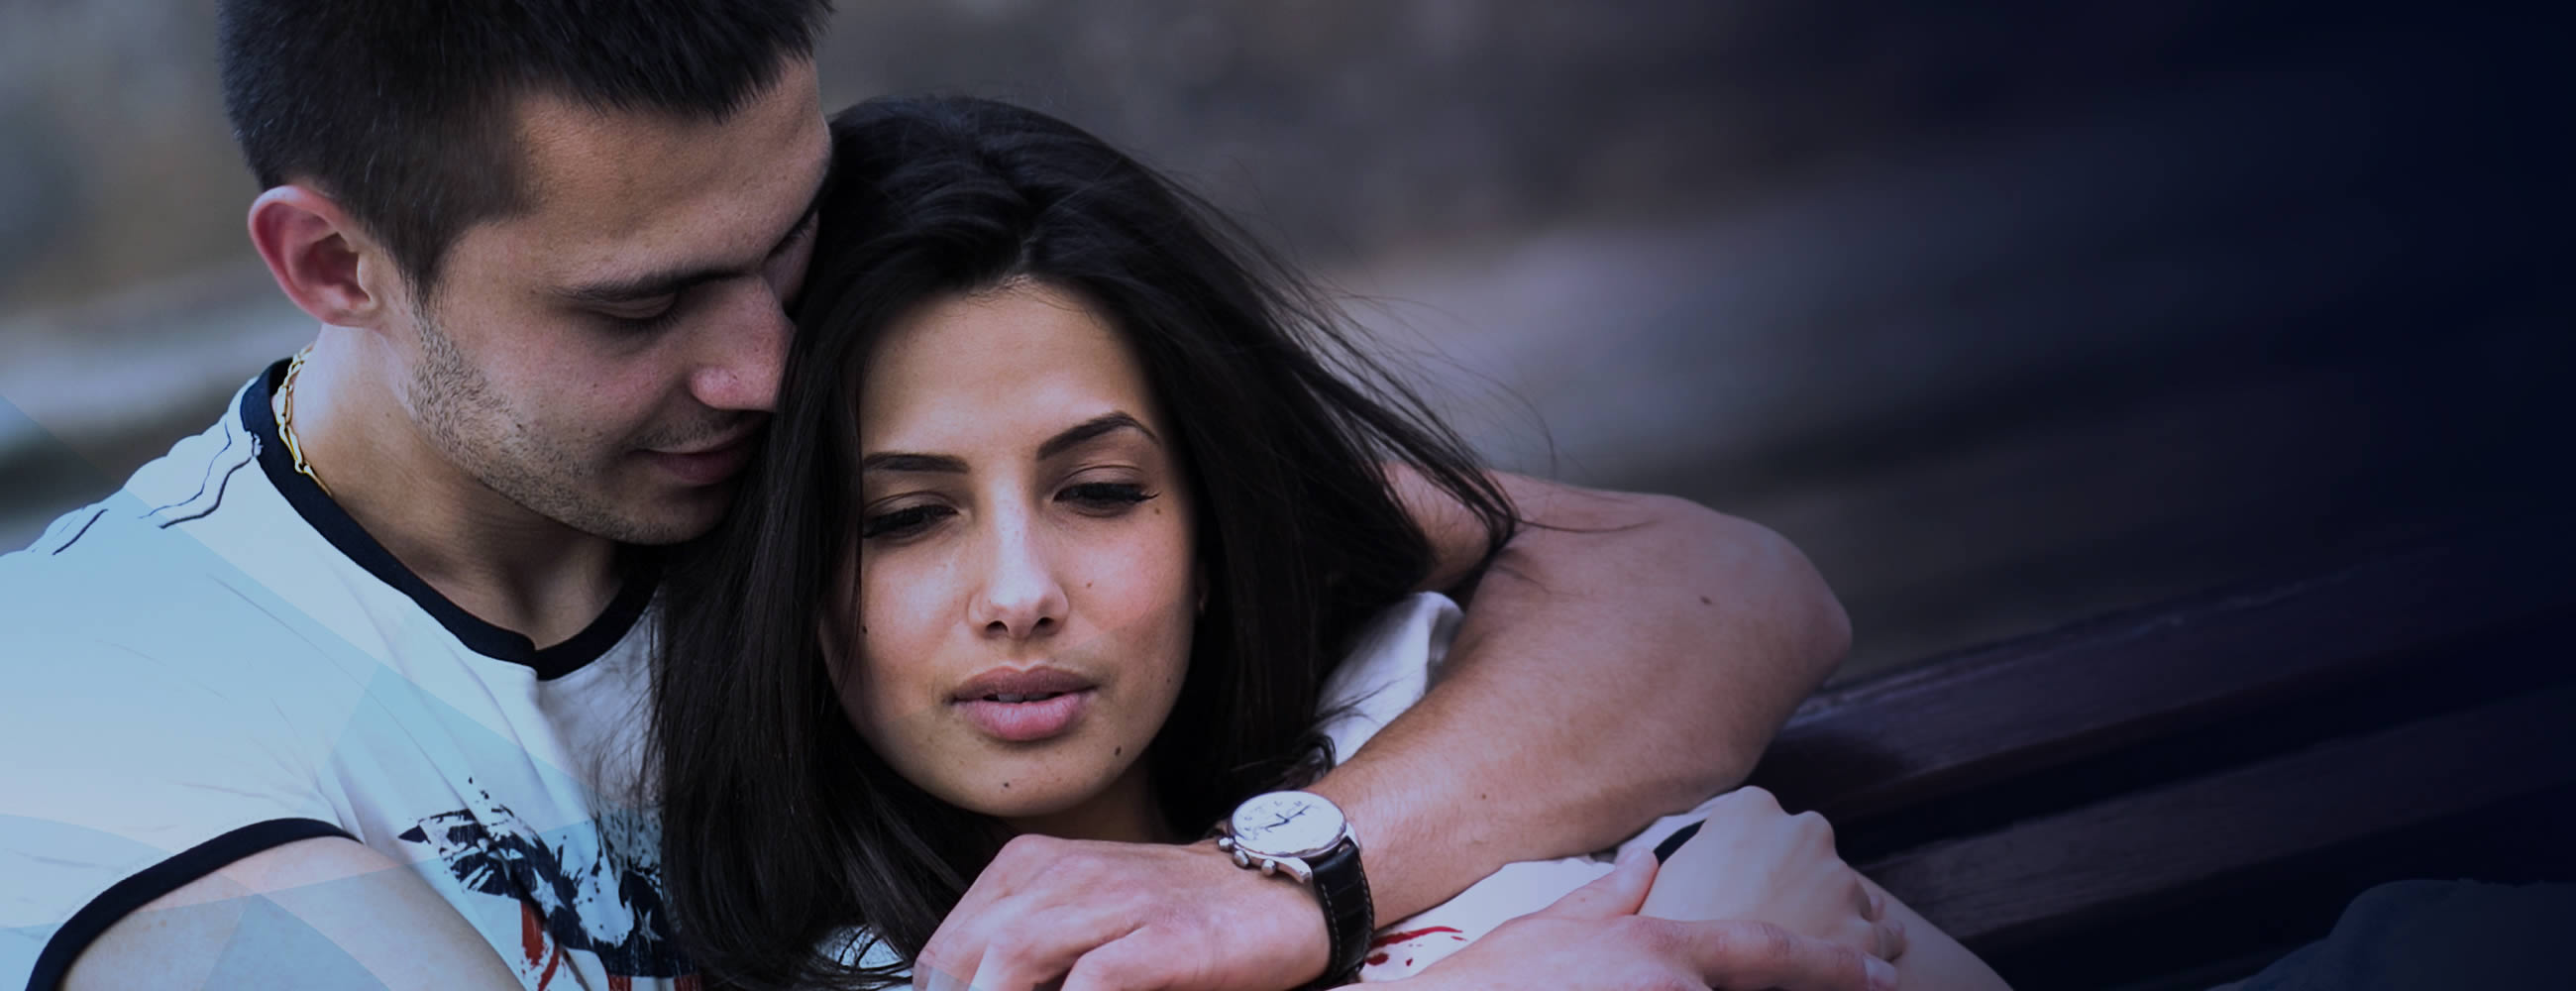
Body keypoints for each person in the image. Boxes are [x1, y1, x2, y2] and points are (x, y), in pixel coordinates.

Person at [0, 3, 1870, 990]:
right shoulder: (97, 710)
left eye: (784, 237)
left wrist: (1294, 878)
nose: (755, 365)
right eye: (642, 303)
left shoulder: (815, 433)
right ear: (333, 264)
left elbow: (1708, 588)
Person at [651, 95, 2005, 991]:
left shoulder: (1418, 709)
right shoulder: (845, 961)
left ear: (1208, 521)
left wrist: (1281, 879)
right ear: (787, 583)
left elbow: (1741, 588)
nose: (1019, 594)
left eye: (1104, 491)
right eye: (904, 518)